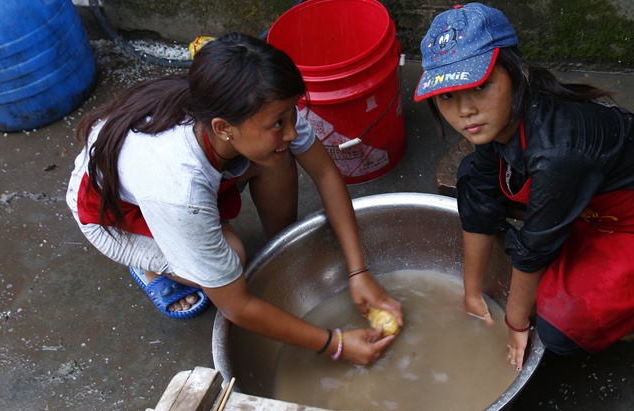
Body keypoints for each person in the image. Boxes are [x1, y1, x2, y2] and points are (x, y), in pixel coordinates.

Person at [66, 32, 402, 365]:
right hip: (115, 216)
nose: (291, 130)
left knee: (277, 156)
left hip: (184, 182)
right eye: (278, 123)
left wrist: (359, 271)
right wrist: (335, 344)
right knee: (234, 257)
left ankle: (280, 251)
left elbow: (326, 174)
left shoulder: (260, 106)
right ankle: (151, 267)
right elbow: (235, 306)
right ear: (224, 128)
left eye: (291, 115)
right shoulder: (179, 191)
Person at [414, 3, 634, 370]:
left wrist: (516, 323)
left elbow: (535, 249)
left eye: (481, 86)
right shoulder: (494, 121)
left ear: (517, 72)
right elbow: (482, 202)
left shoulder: (558, 149)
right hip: (585, 202)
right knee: (473, 177)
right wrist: (471, 296)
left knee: (558, 327)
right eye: (447, 96)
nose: (465, 111)